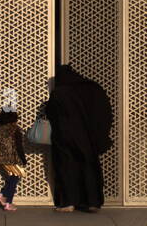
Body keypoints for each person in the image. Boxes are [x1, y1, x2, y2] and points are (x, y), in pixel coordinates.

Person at [42, 64, 112, 213]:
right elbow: (105, 112)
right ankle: (93, 202)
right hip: (87, 137)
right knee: (89, 167)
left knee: (67, 168)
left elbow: (51, 113)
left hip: (65, 137)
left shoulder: (60, 92)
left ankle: (68, 203)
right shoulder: (93, 89)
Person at [0, 110, 27, 211]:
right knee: (14, 179)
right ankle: (7, 202)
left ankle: (2, 195)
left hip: (3, 159)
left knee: (12, 178)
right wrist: (23, 159)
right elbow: (19, 146)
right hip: (13, 159)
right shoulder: (14, 130)